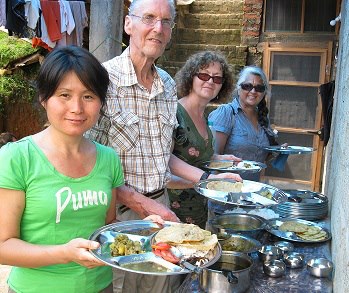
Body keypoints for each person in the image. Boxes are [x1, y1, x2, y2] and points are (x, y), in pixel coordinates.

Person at [85, 0, 243, 291]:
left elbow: (164, 155)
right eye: (149, 18)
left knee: (161, 287)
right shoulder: (101, 81)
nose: (158, 28)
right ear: (128, 24)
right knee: (123, 287)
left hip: (161, 206)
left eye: (166, 21)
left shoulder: (168, 85)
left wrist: (209, 180)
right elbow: (87, 166)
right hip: (119, 216)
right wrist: (138, 202)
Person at [0, 46, 164, 293]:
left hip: (100, 286)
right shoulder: (17, 157)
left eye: (88, 96)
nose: (77, 108)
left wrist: (140, 231)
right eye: (64, 95)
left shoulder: (108, 158)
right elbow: (3, 246)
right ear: (44, 99)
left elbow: (107, 228)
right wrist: (65, 253)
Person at [168, 51, 242, 229]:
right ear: (190, 77)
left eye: (217, 79)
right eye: (204, 75)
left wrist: (222, 160)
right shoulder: (174, 112)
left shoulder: (204, 116)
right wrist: (209, 179)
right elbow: (166, 159)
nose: (210, 81)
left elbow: (196, 154)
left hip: (199, 207)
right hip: (173, 209)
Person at [207, 65, 283, 218]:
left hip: (252, 197)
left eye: (259, 88)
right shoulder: (226, 113)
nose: (253, 91)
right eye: (247, 86)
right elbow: (212, 159)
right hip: (226, 200)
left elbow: (259, 157)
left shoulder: (263, 118)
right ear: (238, 87)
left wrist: (278, 151)